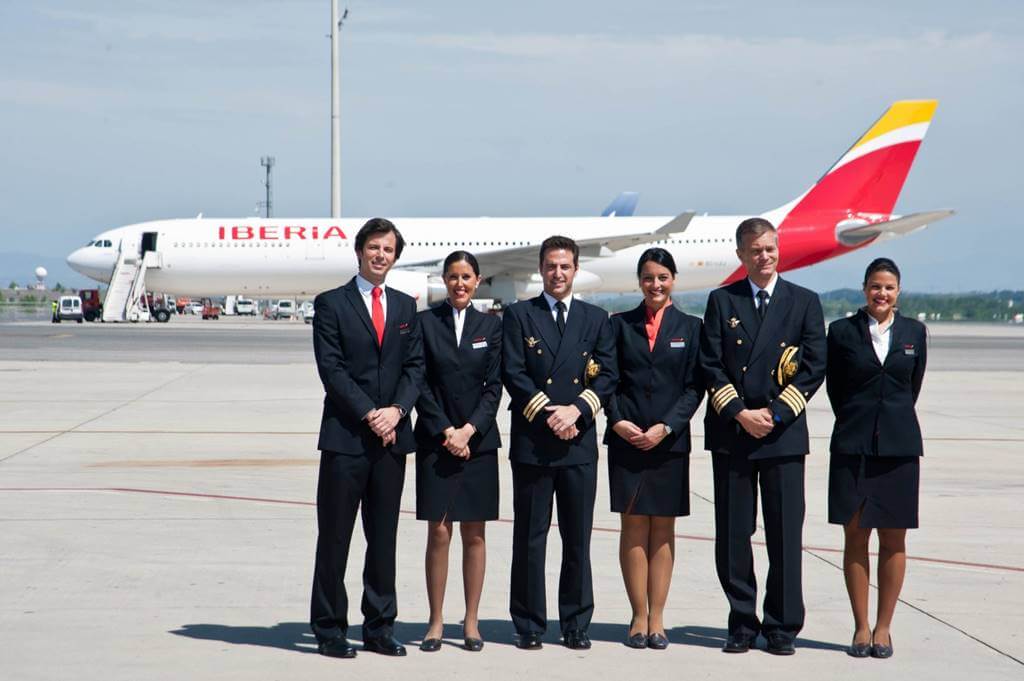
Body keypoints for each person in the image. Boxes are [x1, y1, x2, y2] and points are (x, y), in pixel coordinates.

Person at [699, 217, 826, 656]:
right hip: (734, 434)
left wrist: (773, 414)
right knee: (734, 535)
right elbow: (710, 364)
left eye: (770, 248)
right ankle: (740, 621)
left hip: (781, 435)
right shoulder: (721, 301)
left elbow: (813, 368)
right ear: (740, 255)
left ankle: (781, 625)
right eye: (755, 250)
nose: (764, 256)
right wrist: (740, 413)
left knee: (785, 534)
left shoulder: (804, 302)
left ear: (779, 249)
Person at [309, 217, 424, 659]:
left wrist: (397, 410)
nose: (381, 255)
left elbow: (415, 367)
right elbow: (331, 369)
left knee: (383, 540)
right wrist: (369, 412)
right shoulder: (332, 303)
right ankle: (330, 629)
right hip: (345, 439)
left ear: (396, 257)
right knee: (334, 539)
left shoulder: (404, 307)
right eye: (374, 247)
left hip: (391, 441)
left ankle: (379, 627)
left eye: (389, 249)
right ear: (359, 252)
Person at [501, 235, 617, 650]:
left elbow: (607, 376)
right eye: (551, 266)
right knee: (530, 538)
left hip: (578, 444)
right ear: (540, 268)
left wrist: (578, 413)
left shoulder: (595, 318)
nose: (558, 273)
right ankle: (529, 623)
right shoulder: (518, 316)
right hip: (535, 442)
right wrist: (552, 414)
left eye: (565, 266)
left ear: (575, 269)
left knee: (577, 538)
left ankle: (576, 622)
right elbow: (513, 373)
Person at [826, 257, 927, 659]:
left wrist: (889, 421)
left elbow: (912, 386)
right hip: (853, 446)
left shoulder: (915, 332)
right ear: (863, 289)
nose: (881, 293)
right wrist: (860, 421)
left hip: (900, 449)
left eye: (888, 287)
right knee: (855, 536)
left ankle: (884, 628)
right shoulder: (841, 332)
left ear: (898, 291)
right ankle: (861, 626)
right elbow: (836, 388)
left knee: (893, 539)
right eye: (874, 286)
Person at [605, 248, 703, 650]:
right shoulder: (618, 325)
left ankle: (658, 617)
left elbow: (696, 386)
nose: (655, 284)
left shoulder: (691, 327)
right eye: (648, 277)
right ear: (639, 281)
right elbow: (606, 379)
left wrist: (668, 426)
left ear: (673, 280)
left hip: (669, 442)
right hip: (627, 438)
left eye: (662, 277)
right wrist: (617, 420)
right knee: (633, 526)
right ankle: (637, 616)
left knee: (662, 529)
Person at [414, 251, 503, 653]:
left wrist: (468, 431)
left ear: (478, 280)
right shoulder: (424, 323)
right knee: (439, 531)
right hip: (437, 440)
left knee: (475, 534)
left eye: (467, 276)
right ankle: (436, 621)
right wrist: (447, 431)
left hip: (478, 442)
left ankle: (471, 621)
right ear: (444, 280)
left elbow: (494, 387)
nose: (460, 283)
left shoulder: (491, 326)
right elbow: (419, 382)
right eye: (453, 277)